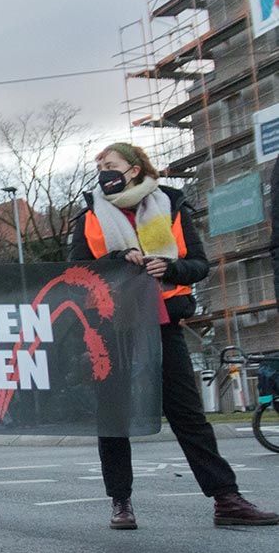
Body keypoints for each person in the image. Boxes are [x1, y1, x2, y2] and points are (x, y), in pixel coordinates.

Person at [70, 143, 277, 529]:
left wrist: (169, 268)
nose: (102, 171)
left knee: (188, 416)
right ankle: (121, 502)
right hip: (112, 328)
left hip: (164, 324)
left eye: (110, 164)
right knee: (114, 419)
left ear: (133, 170)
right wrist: (117, 262)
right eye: (99, 166)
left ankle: (226, 500)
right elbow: (76, 273)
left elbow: (198, 265)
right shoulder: (89, 216)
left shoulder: (171, 206)